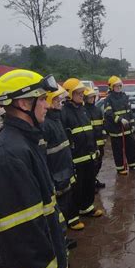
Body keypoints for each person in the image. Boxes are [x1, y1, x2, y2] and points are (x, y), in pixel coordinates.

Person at [0, 69, 71, 268]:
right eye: (41, 99)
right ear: (23, 103)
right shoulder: (9, 155)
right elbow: (20, 233)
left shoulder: (25, 143)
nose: (47, 105)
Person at [43, 85, 85, 231]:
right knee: (58, 209)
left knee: (67, 203)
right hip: (56, 174)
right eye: (55, 99)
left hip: (64, 169)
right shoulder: (46, 124)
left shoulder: (56, 119)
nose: (59, 101)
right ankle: (61, 238)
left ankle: (64, 235)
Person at [61, 78, 103, 218]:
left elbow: (89, 131)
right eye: (78, 92)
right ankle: (74, 214)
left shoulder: (83, 110)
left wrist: (95, 147)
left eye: (81, 92)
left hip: (89, 155)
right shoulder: (64, 113)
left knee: (89, 184)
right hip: (76, 159)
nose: (81, 95)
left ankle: (87, 208)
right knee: (77, 188)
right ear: (69, 94)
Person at [104, 76, 135, 175]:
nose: (118, 87)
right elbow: (108, 114)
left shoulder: (124, 96)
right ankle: (120, 168)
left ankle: (133, 164)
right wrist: (120, 119)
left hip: (127, 128)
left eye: (119, 86)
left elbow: (129, 111)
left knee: (132, 146)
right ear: (111, 87)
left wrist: (132, 123)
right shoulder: (108, 99)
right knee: (118, 150)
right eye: (116, 86)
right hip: (116, 130)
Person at [83, 87, 106, 189]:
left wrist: (104, 136)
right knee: (92, 164)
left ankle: (94, 180)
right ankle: (91, 184)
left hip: (100, 141)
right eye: (89, 97)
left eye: (93, 97)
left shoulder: (97, 110)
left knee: (99, 162)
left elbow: (102, 124)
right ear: (85, 98)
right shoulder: (84, 111)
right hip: (91, 143)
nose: (92, 99)